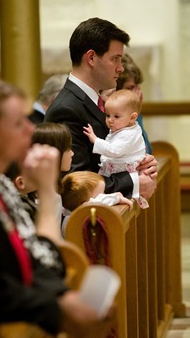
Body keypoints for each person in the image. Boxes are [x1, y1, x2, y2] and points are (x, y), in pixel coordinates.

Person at [0, 78, 116, 337]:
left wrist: (63, 299)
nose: (30, 129)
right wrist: (59, 308)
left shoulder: (0, 186)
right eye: (18, 123)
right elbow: (1, 282)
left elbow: (41, 257)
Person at [45, 17, 157, 200]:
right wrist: (134, 181)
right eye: (115, 59)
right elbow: (76, 183)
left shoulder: (95, 100)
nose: (121, 68)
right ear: (91, 58)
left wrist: (138, 163)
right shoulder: (67, 108)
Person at [83, 89, 149, 209]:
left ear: (132, 118)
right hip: (117, 172)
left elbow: (114, 150)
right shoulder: (123, 128)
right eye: (108, 115)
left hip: (124, 174)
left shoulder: (129, 134)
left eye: (116, 116)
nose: (110, 120)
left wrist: (95, 139)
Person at [61, 170, 133, 236]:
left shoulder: (69, 213)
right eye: (102, 195)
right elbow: (90, 204)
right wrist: (115, 198)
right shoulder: (73, 221)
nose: (105, 196)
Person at [116, 53, 152, 154]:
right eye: (130, 88)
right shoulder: (114, 120)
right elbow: (143, 154)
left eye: (136, 88)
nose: (137, 94)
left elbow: (148, 151)